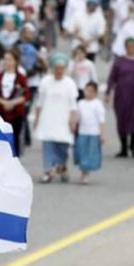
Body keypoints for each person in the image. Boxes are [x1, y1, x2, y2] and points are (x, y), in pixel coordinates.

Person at [33, 53, 78, 183]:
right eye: (56, 68)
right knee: (47, 144)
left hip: (64, 119)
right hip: (48, 118)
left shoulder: (69, 83)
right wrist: (37, 118)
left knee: (62, 146)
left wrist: (73, 120)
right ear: (52, 68)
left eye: (61, 68)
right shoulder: (45, 81)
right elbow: (39, 102)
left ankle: (62, 166)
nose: (59, 71)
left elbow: (73, 105)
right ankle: (48, 171)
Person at [105, 37, 134, 158]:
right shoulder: (119, 61)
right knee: (122, 118)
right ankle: (123, 147)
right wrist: (108, 92)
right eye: (128, 46)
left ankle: (133, 146)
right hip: (121, 93)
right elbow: (112, 77)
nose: (131, 48)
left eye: (133, 46)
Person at [0, 49, 29, 157]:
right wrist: (3, 102)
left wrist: (13, 103)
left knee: (15, 138)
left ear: (15, 61)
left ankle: (15, 158)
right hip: (2, 112)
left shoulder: (21, 77)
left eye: (9, 59)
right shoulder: (0, 76)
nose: (6, 62)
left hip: (16, 114)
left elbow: (25, 94)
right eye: (5, 59)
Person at [74, 82, 105, 185]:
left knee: (90, 154)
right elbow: (77, 117)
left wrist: (102, 134)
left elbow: (101, 120)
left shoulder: (97, 104)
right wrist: (74, 126)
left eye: (91, 91)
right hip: (82, 132)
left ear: (95, 93)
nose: (88, 93)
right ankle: (83, 171)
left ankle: (86, 174)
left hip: (93, 133)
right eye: (87, 90)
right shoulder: (80, 103)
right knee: (82, 152)